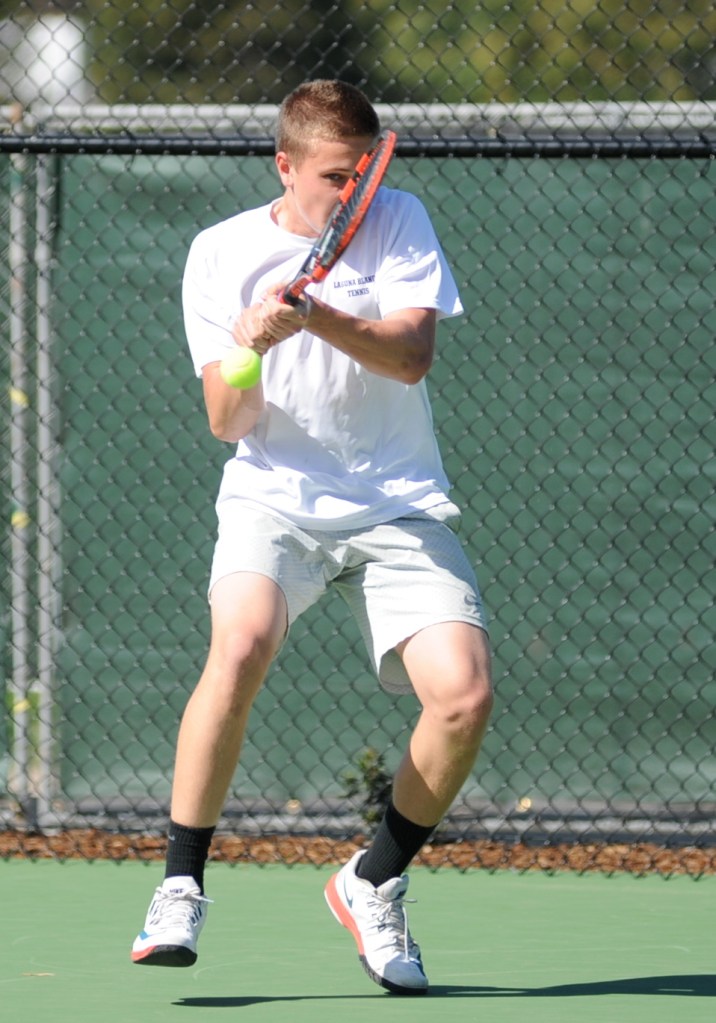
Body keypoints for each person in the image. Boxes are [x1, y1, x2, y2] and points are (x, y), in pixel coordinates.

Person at [130, 79, 493, 996]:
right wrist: (251, 342)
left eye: (364, 172)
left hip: (397, 500)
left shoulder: (398, 219)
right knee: (240, 643)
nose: (354, 191)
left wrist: (316, 313)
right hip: (276, 498)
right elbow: (227, 420)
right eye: (336, 176)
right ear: (284, 166)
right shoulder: (219, 252)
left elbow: (411, 357)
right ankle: (180, 884)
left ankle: (373, 879)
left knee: (464, 697)